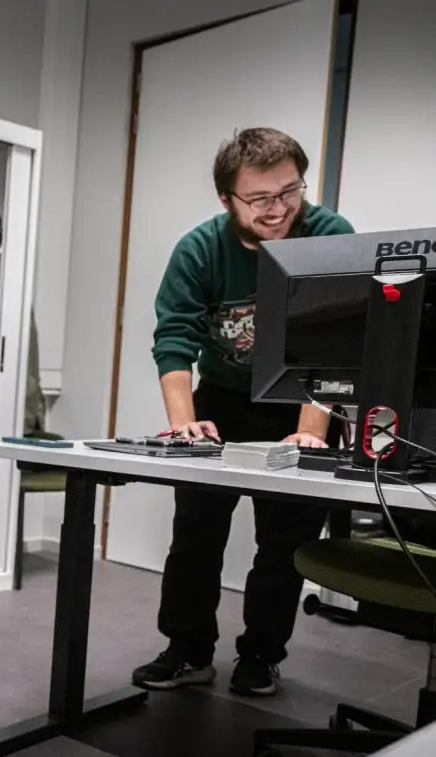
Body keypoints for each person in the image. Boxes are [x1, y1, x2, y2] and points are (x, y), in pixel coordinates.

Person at [131, 127, 353, 697]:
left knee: (283, 542)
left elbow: (336, 344)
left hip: (303, 398)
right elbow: (175, 339)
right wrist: (183, 422)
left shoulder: (330, 235)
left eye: (289, 192)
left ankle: (260, 656)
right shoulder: (200, 248)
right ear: (227, 199)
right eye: (259, 199)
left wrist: (308, 434)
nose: (277, 210)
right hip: (222, 400)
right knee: (197, 533)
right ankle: (187, 651)